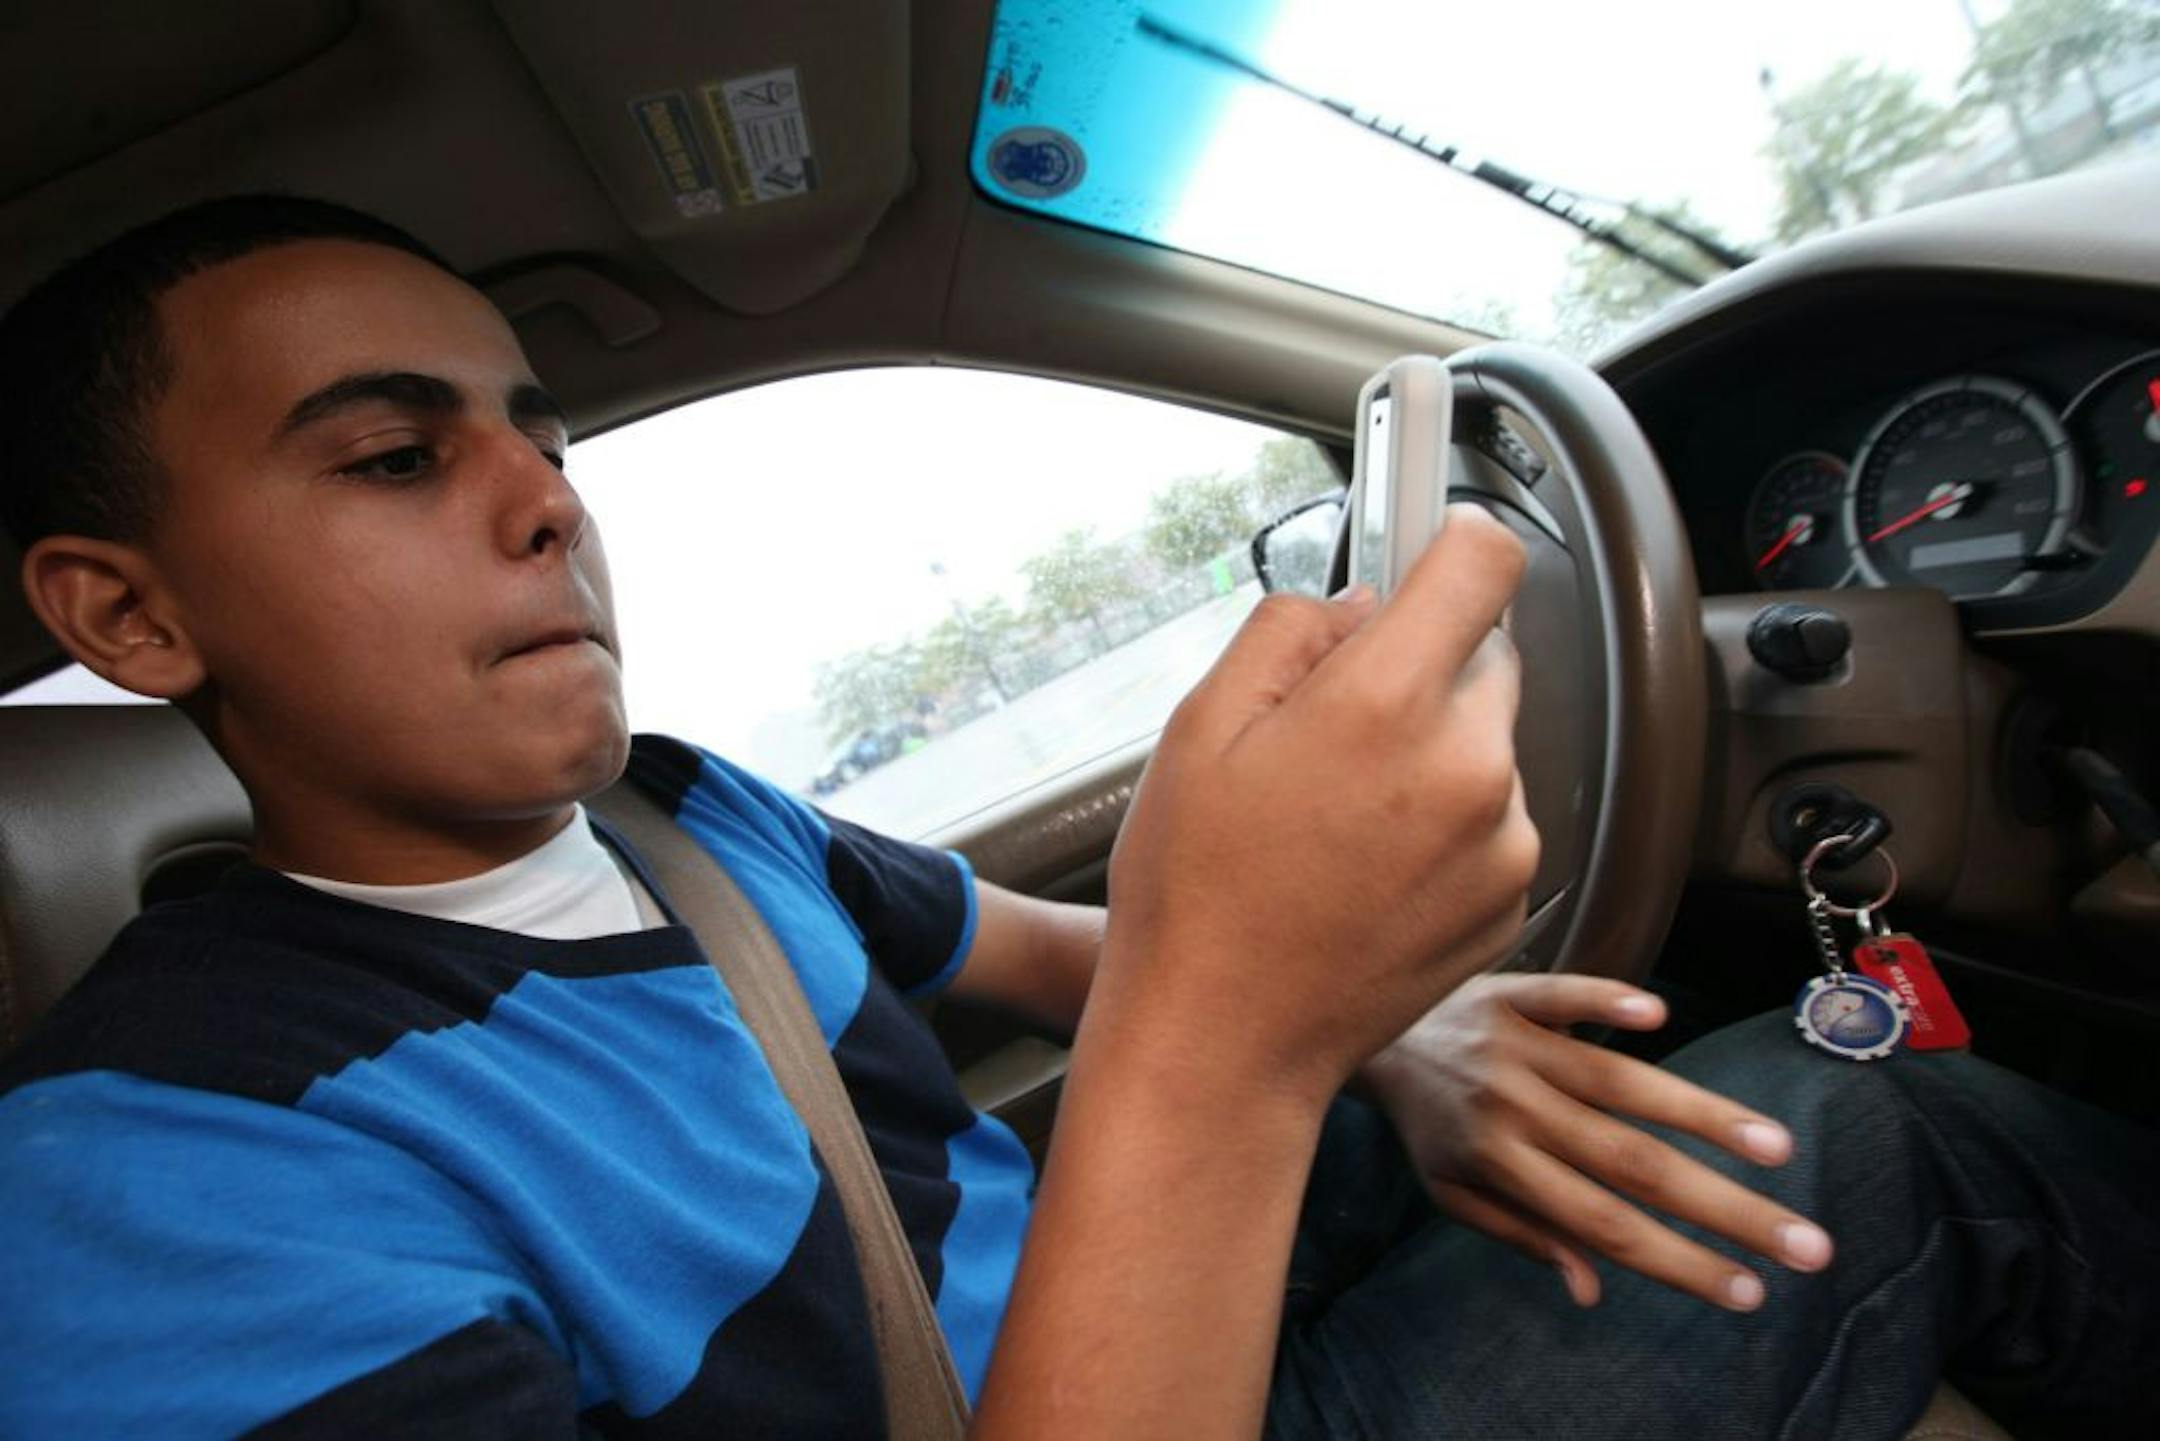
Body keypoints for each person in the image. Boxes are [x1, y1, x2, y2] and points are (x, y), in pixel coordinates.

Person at [0, 196, 2152, 1439]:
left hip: (1102, 1314)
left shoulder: (686, 818)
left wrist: (1395, 1036)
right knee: (1872, 1109)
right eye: (392, 457)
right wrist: (1232, 1044)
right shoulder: (140, 1193)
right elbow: (1174, 1028)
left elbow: (1055, 964)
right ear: (133, 610)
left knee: (1608, 1055)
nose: (547, 498)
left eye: (535, 431)